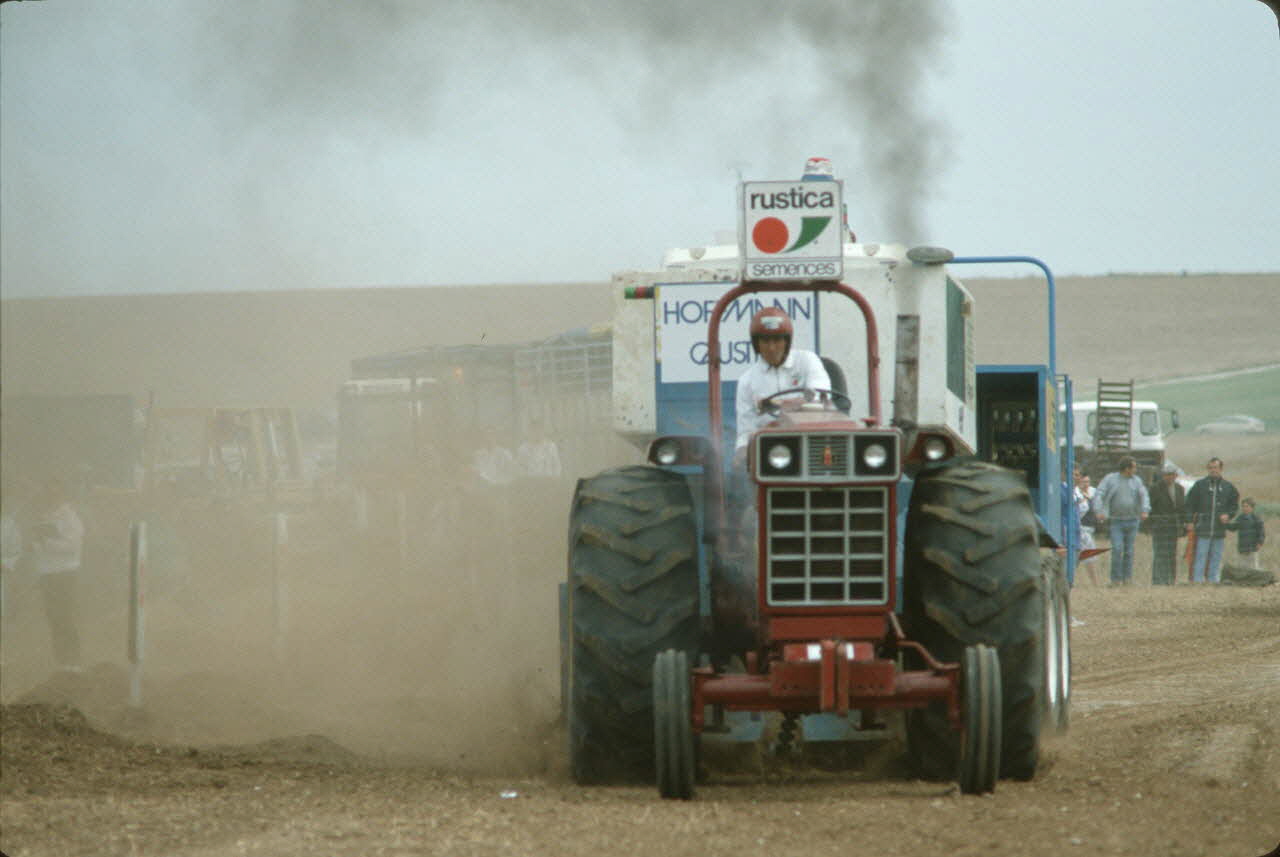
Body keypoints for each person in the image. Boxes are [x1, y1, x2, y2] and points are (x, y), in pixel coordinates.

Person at [734, 307, 832, 454]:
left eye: (777, 340)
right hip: (772, 451)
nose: (772, 348)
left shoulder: (807, 361)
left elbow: (819, 398)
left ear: (787, 341)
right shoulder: (747, 381)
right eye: (765, 341)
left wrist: (776, 404)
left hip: (811, 442)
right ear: (756, 344)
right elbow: (745, 431)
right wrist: (741, 452)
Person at [29, 476, 85, 672]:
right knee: (53, 617)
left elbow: (74, 545)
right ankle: (61, 661)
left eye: (54, 490)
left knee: (65, 616)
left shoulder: (70, 516)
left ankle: (74, 662)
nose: (50, 494)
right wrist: (37, 544)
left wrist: (47, 543)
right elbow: (36, 544)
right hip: (47, 573)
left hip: (66, 573)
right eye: (48, 490)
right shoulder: (45, 516)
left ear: (61, 492)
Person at [1093, 456, 1150, 585]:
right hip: (1116, 521)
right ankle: (1115, 580)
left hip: (1133, 520)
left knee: (1129, 551)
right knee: (1117, 549)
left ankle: (1127, 579)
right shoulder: (1110, 479)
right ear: (1127, 468)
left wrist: (1145, 509)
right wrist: (1099, 510)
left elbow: (1144, 495)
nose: (1135, 470)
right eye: (1134, 467)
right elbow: (1100, 493)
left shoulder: (1137, 481)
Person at [1185, 457, 1239, 583]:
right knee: (1201, 555)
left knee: (1216, 556)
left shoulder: (1228, 487)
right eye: (1210, 468)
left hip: (1219, 529)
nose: (1213, 470)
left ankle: (1213, 580)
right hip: (1203, 527)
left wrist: (1228, 515)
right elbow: (1190, 504)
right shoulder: (1200, 485)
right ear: (1207, 469)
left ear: (1221, 469)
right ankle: (1197, 581)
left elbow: (1234, 505)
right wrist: (1189, 521)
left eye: (1216, 467)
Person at [1147, 462, 1186, 585]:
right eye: (1166, 475)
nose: (1169, 477)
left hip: (1174, 527)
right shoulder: (1155, 488)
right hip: (1159, 528)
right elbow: (1149, 508)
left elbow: (1181, 509)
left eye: (1172, 475)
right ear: (1163, 475)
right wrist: (1152, 523)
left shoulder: (1180, 489)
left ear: (1176, 475)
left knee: (1172, 554)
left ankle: (1170, 580)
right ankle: (1158, 581)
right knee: (1160, 554)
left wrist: (1182, 525)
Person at [1073, 468, 1101, 587]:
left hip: (1087, 529)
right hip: (1077, 527)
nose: (1086, 484)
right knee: (1077, 555)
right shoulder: (1075, 492)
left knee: (1088, 556)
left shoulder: (1093, 492)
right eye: (1083, 481)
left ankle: (1094, 583)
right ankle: (1070, 580)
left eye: (1087, 481)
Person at [1226, 498, 1266, 570]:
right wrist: (1225, 523)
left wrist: (1260, 543)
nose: (1244, 508)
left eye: (1247, 506)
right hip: (1242, 548)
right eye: (1243, 506)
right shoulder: (1240, 518)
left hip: (1252, 548)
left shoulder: (1256, 518)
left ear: (1252, 507)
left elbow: (1261, 532)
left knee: (1253, 569)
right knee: (1241, 569)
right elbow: (1233, 528)